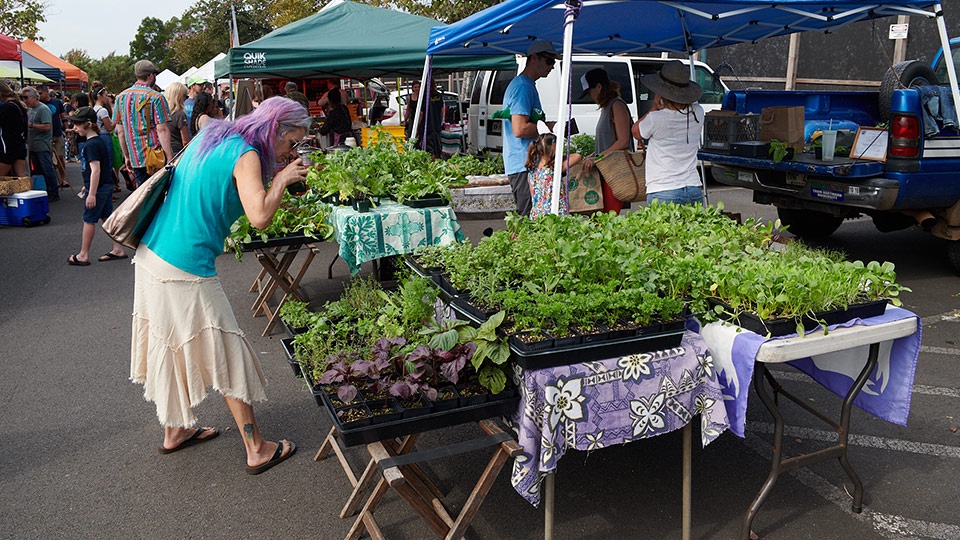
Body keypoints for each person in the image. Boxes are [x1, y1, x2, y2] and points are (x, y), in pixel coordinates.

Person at [130, 97, 306, 474]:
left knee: (171, 344)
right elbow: (259, 216)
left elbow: (209, 128)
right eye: (291, 142)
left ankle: (175, 431)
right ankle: (256, 447)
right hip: (184, 266)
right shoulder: (247, 156)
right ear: (274, 128)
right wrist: (283, 181)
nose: (292, 151)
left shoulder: (214, 135)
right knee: (226, 348)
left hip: (152, 255)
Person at [632, 61, 705, 205]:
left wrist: (654, 107)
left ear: (662, 92)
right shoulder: (698, 112)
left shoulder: (655, 118)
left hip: (664, 189)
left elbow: (635, 132)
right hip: (693, 187)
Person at [503, 40, 559, 216]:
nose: (552, 67)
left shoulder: (526, 85)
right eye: (549, 61)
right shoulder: (523, 87)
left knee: (529, 218)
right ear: (534, 58)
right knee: (528, 220)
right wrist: (547, 127)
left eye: (554, 63)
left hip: (523, 163)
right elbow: (519, 129)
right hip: (523, 164)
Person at [65, 107, 125, 267]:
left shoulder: (90, 145)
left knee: (89, 220)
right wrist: (87, 186)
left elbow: (96, 170)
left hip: (98, 188)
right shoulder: (98, 141)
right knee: (106, 217)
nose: (75, 128)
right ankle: (118, 248)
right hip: (105, 185)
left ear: (89, 124)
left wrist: (91, 193)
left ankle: (83, 254)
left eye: (78, 125)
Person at [580, 68, 634, 215]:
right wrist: (593, 155)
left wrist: (598, 157)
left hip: (615, 173)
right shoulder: (606, 107)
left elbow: (623, 141)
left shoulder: (617, 105)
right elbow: (607, 142)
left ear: (599, 87)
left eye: (590, 91)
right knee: (601, 218)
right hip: (606, 172)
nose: (590, 96)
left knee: (607, 218)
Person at [112, 60, 173, 188]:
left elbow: (120, 132)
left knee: (142, 195)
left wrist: (126, 156)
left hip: (135, 157)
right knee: (159, 195)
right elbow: (162, 130)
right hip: (155, 156)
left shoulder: (120, 98)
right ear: (150, 75)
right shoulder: (156, 97)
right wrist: (169, 156)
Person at [525, 125, 581, 218]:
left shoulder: (532, 173)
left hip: (538, 214)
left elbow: (533, 195)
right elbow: (577, 156)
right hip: (556, 214)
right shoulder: (554, 169)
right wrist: (560, 158)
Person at [22, 86, 59, 200]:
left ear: (34, 97)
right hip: (33, 145)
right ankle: (44, 190)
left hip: (42, 144)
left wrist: (31, 125)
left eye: (26, 97)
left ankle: (54, 191)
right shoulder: (30, 109)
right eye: (22, 97)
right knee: (37, 170)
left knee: (47, 168)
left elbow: (47, 126)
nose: (24, 100)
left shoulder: (43, 109)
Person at [38, 85, 68, 188]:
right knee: (48, 159)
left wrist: (67, 129)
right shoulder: (38, 105)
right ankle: (52, 181)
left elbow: (64, 117)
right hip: (45, 136)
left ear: (46, 92)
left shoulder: (57, 102)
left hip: (57, 133)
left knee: (60, 157)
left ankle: (62, 179)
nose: (39, 96)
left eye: (41, 93)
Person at [0, 82, 28, 177]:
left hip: (7, 147)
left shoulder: (6, 108)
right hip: (19, 144)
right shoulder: (19, 105)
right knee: (22, 178)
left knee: (2, 177)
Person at [164, 82, 191, 154]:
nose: (186, 99)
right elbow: (185, 141)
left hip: (165, 151)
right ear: (179, 97)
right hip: (178, 153)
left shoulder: (163, 114)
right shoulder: (180, 115)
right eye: (185, 96)